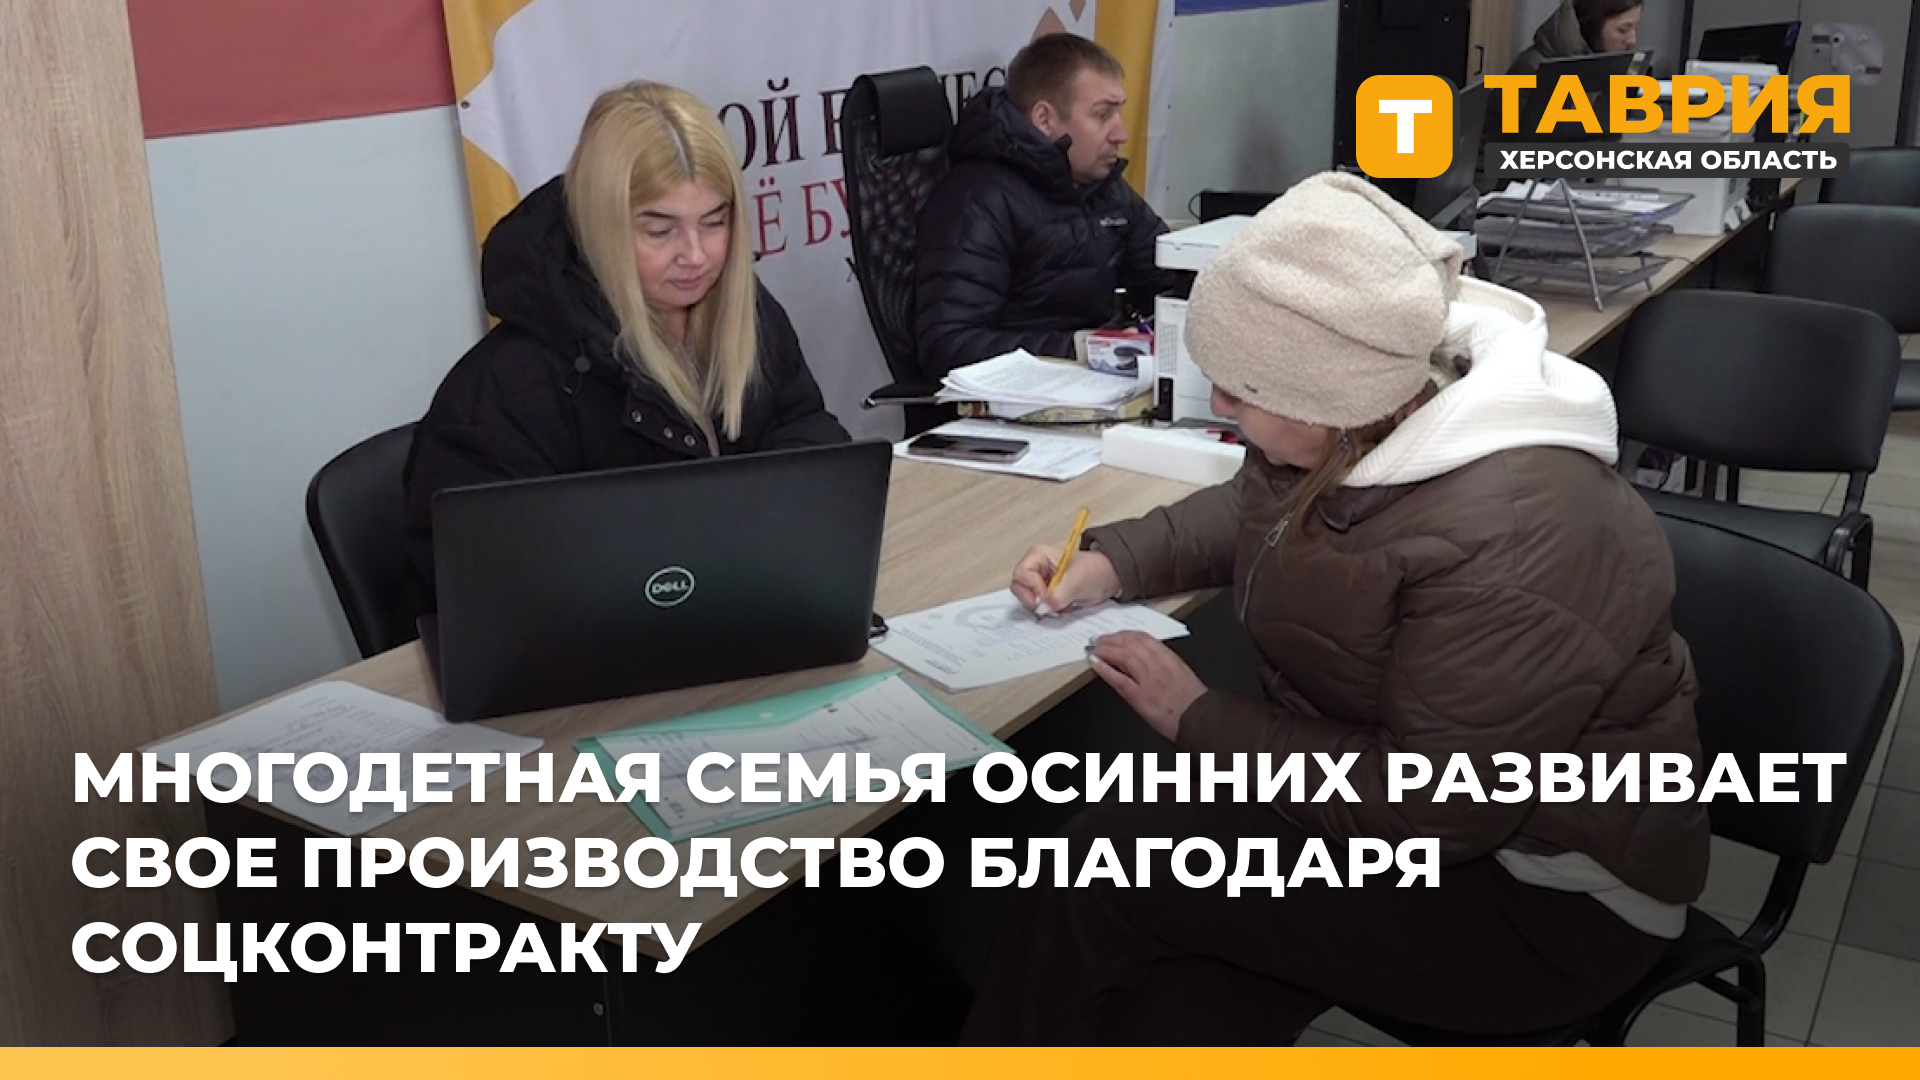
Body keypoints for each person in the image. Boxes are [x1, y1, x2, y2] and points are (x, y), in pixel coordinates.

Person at [965, 172, 1708, 1044]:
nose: (1221, 405)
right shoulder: (1371, 421)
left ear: (1329, 402)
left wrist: (1196, 715)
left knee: (1113, 856)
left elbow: (1434, 807)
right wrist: (1110, 560)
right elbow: (1254, 510)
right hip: (1405, 814)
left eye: (1241, 389)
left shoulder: (1515, 535)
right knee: (1164, 992)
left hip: (1546, 899)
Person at [401, 81, 848, 613]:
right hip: (593, 639)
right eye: (659, 231)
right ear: (602, 224)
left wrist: (761, 523)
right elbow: (488, 585)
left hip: (734, 602)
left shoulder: (745, 314)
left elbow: (808, 431)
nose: (696, 255)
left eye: (715, 222)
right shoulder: (508, 389)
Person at [913, 33, 1176, 380]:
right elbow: (949, 345)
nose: (1121, 134)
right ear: (1044, 119)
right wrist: (1079, 348)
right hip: (1016, 396)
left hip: (1098, 379)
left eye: (1119, 112)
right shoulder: (978, 199)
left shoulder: (1102, 185)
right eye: (1102, 115)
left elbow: (1168, 279)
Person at [1508, 0, 1643, 76]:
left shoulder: (1607, 64)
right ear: (1593, 25)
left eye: (1634, 28)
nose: (1633, 40)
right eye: (1622, 30)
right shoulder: (1533, 69)